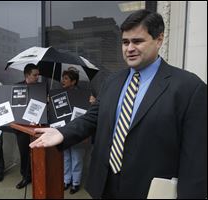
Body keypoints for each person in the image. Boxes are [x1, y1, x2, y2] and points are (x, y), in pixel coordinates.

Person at [30, 10, 207, 199]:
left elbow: (196, 157)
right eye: (125, 42)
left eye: (137, 41)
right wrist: (62, 132)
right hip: (105, 185)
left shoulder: (189, 87)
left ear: (159, 39)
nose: (129, 48)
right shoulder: (112, 81)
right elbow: (93, 117)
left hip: (149, 190)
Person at [14, 63, 40, 189]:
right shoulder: (17, 87)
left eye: (38, 75)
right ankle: (25, 176)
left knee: (38, 153)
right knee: (24, 153)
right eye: (35, 75)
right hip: (22, 128)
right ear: (27, 75)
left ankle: (37, 175)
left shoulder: (41, 88)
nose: (37, 77)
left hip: (38, 127)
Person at [60, 69, 86, 194]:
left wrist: (91, 102)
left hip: (77, 131)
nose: (62, 81)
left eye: (66, 78)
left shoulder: (83, 95)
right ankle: (66, 180)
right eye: (62, 78)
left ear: (74, 81)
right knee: (66, 157)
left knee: (76, 158)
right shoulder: (59, 94)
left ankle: (75, 183)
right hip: (64, 131)